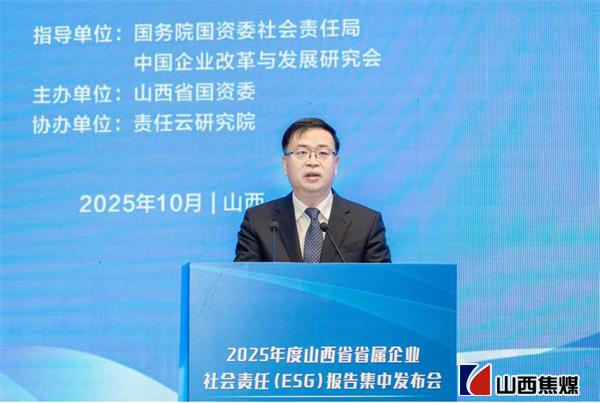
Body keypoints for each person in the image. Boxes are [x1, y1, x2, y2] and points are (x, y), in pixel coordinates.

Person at [234, 117, 392, 263]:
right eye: (302, 153)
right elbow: (245, 280)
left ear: (336, 164)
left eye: (323, 153)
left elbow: (382, 282)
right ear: (285, 165)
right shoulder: (258, 221)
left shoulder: (366, 223)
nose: (312, 162)